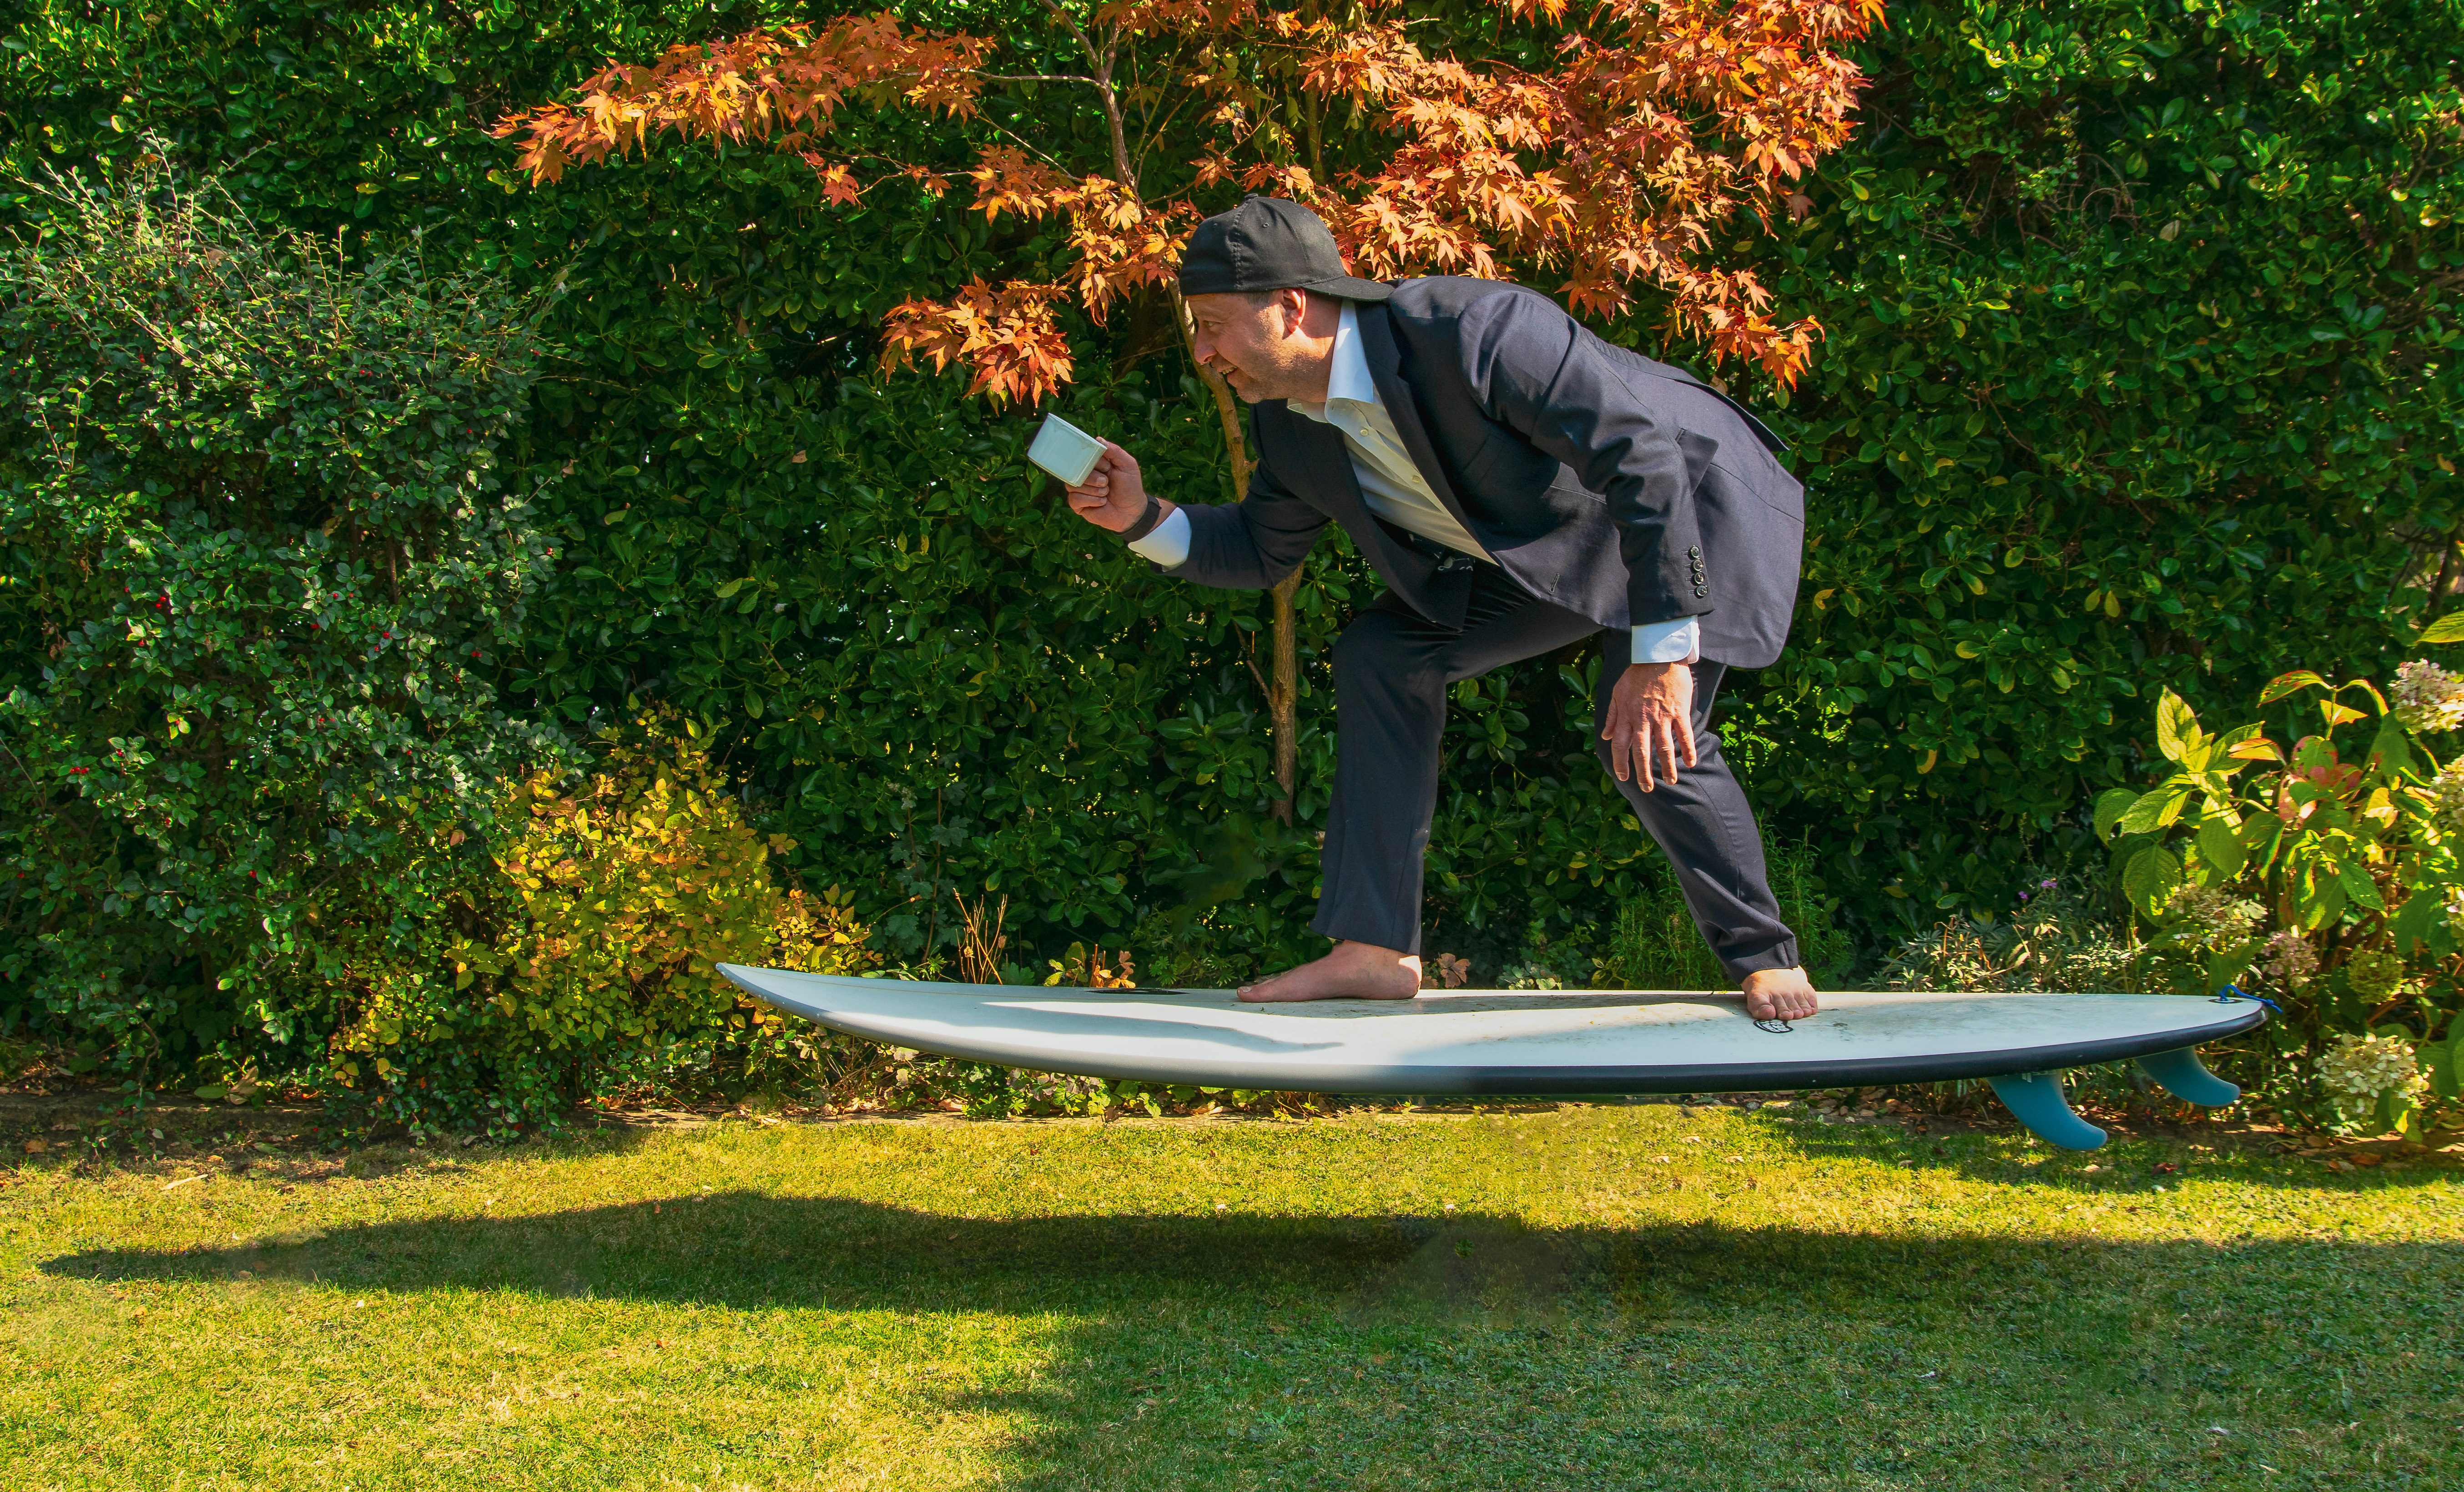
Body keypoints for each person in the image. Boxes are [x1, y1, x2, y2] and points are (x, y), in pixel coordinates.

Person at [1061, 196, 1819, 1022]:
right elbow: (1256, 549)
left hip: (1690, 503)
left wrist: (1661, 653)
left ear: (1290, 305)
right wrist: (1138, 518)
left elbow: (1640, 461)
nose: (1203, 353)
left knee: (1638, 722)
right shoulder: (1290, 427)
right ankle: (1374, 950)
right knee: (1384, 654)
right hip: (1548, 541)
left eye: (1211, 325)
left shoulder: (1474, 330)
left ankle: (1765, 957)